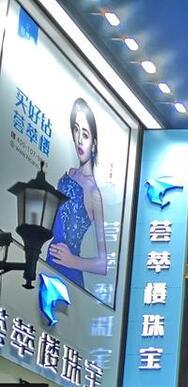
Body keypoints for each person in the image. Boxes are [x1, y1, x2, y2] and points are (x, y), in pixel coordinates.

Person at [48, 98, 109, 289]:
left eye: (86, 134)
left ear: (94, 143)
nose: (80, 140)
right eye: (76, 130)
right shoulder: (69, 174)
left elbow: (103, 264)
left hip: (69, 271)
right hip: (49, 259)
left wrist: (73, 261)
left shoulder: (94, 192)